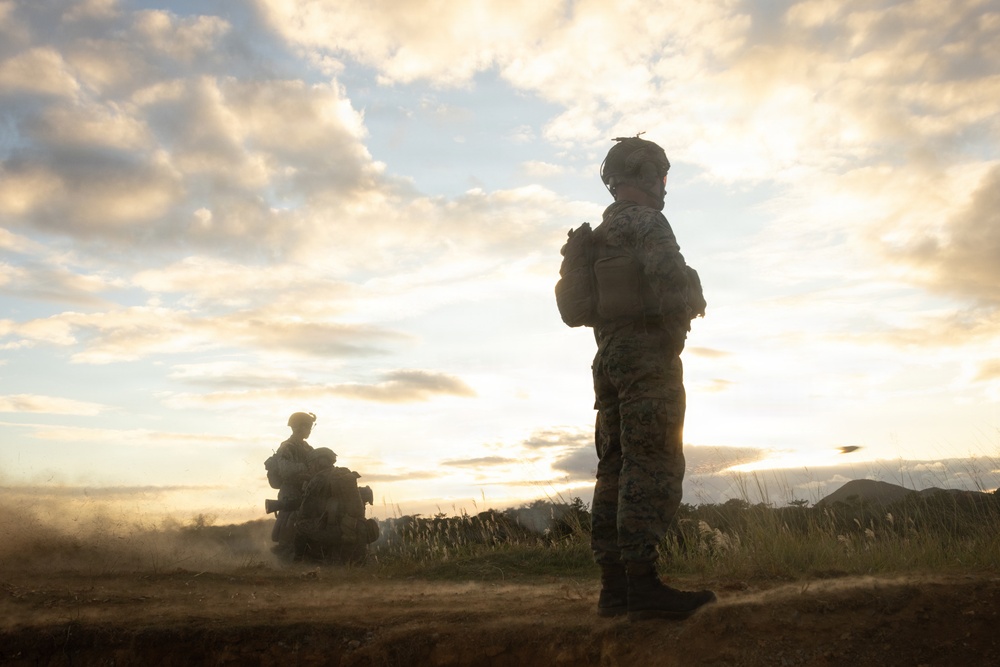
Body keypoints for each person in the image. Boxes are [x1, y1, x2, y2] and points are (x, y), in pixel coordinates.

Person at [583, 135, 715, 620]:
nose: (664, 186)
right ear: (639, 177)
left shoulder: (602, 232)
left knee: (614, 465)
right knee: (652, 461)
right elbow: (670, 282)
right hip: (646, 356)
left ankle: (614, 589)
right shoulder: (647, 223)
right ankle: (644, 589)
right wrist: (675, 332)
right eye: (660, 175)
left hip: (608, 357)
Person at [292, 447, 378, 564]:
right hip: (354, 528)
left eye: (311, 463)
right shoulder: (344, 474)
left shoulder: (319, 479)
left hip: (334, 531)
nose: (310, 467)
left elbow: (305, 512)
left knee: (299, 524)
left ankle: (299, 562)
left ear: (319, 462)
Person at [264, 411, 317, 558]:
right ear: (299, 427)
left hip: (306, 491)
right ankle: (286, 557)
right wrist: (306, 470)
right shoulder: (287, 447)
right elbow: (286, 470)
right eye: (308, 427)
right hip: (290, 492)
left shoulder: (308, 448)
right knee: (289, 527)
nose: (309, 430)